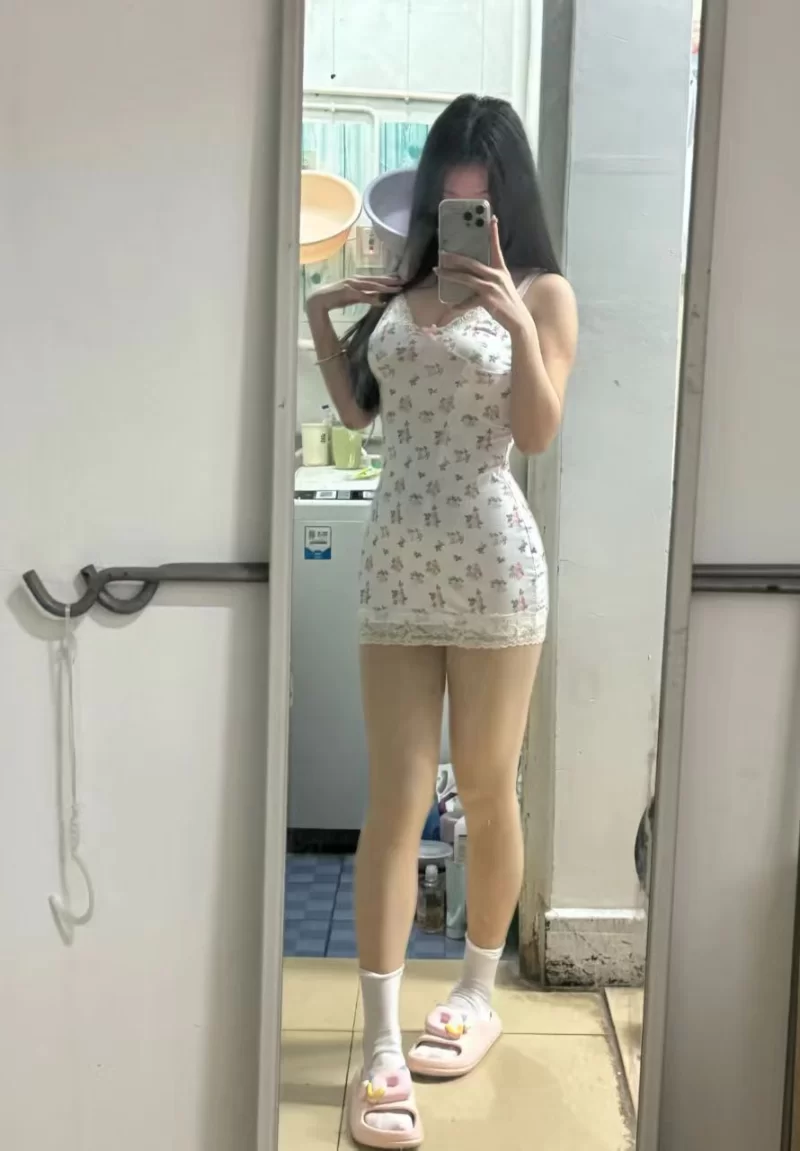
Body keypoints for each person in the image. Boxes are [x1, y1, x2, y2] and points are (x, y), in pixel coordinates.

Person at [306, 93, 578, 1148]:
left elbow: (537, 433)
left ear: (507, 200)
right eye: (449, 199)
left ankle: (474, 990)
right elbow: (356, 412)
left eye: (480, 202)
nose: (461, 220)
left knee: (489, 784)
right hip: (395, 562)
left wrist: (511, 315)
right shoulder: (403, 283)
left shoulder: (543, 292)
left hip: (494, 561)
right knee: (395, 797)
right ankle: (380, 1039)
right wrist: (323, 316)